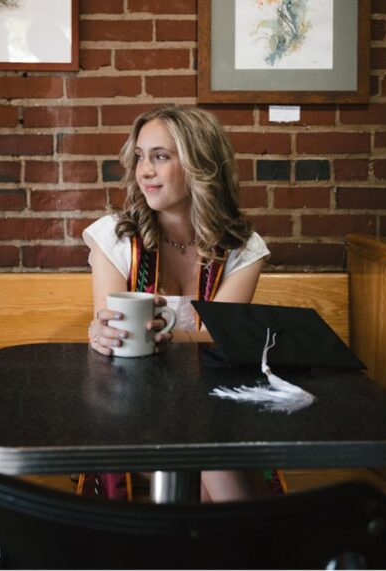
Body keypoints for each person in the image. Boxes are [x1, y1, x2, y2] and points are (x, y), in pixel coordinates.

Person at [82, 105, 272, 502]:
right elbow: (112, 328)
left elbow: (220, 338)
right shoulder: (114, 238)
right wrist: (100, 331)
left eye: (161, 157)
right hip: (132, 402)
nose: (144, 170)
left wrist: (177, 338)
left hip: (215, 403)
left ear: (200, 164)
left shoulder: (241, 248)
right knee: (214, 452)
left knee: (209, 441)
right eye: (140, 157)